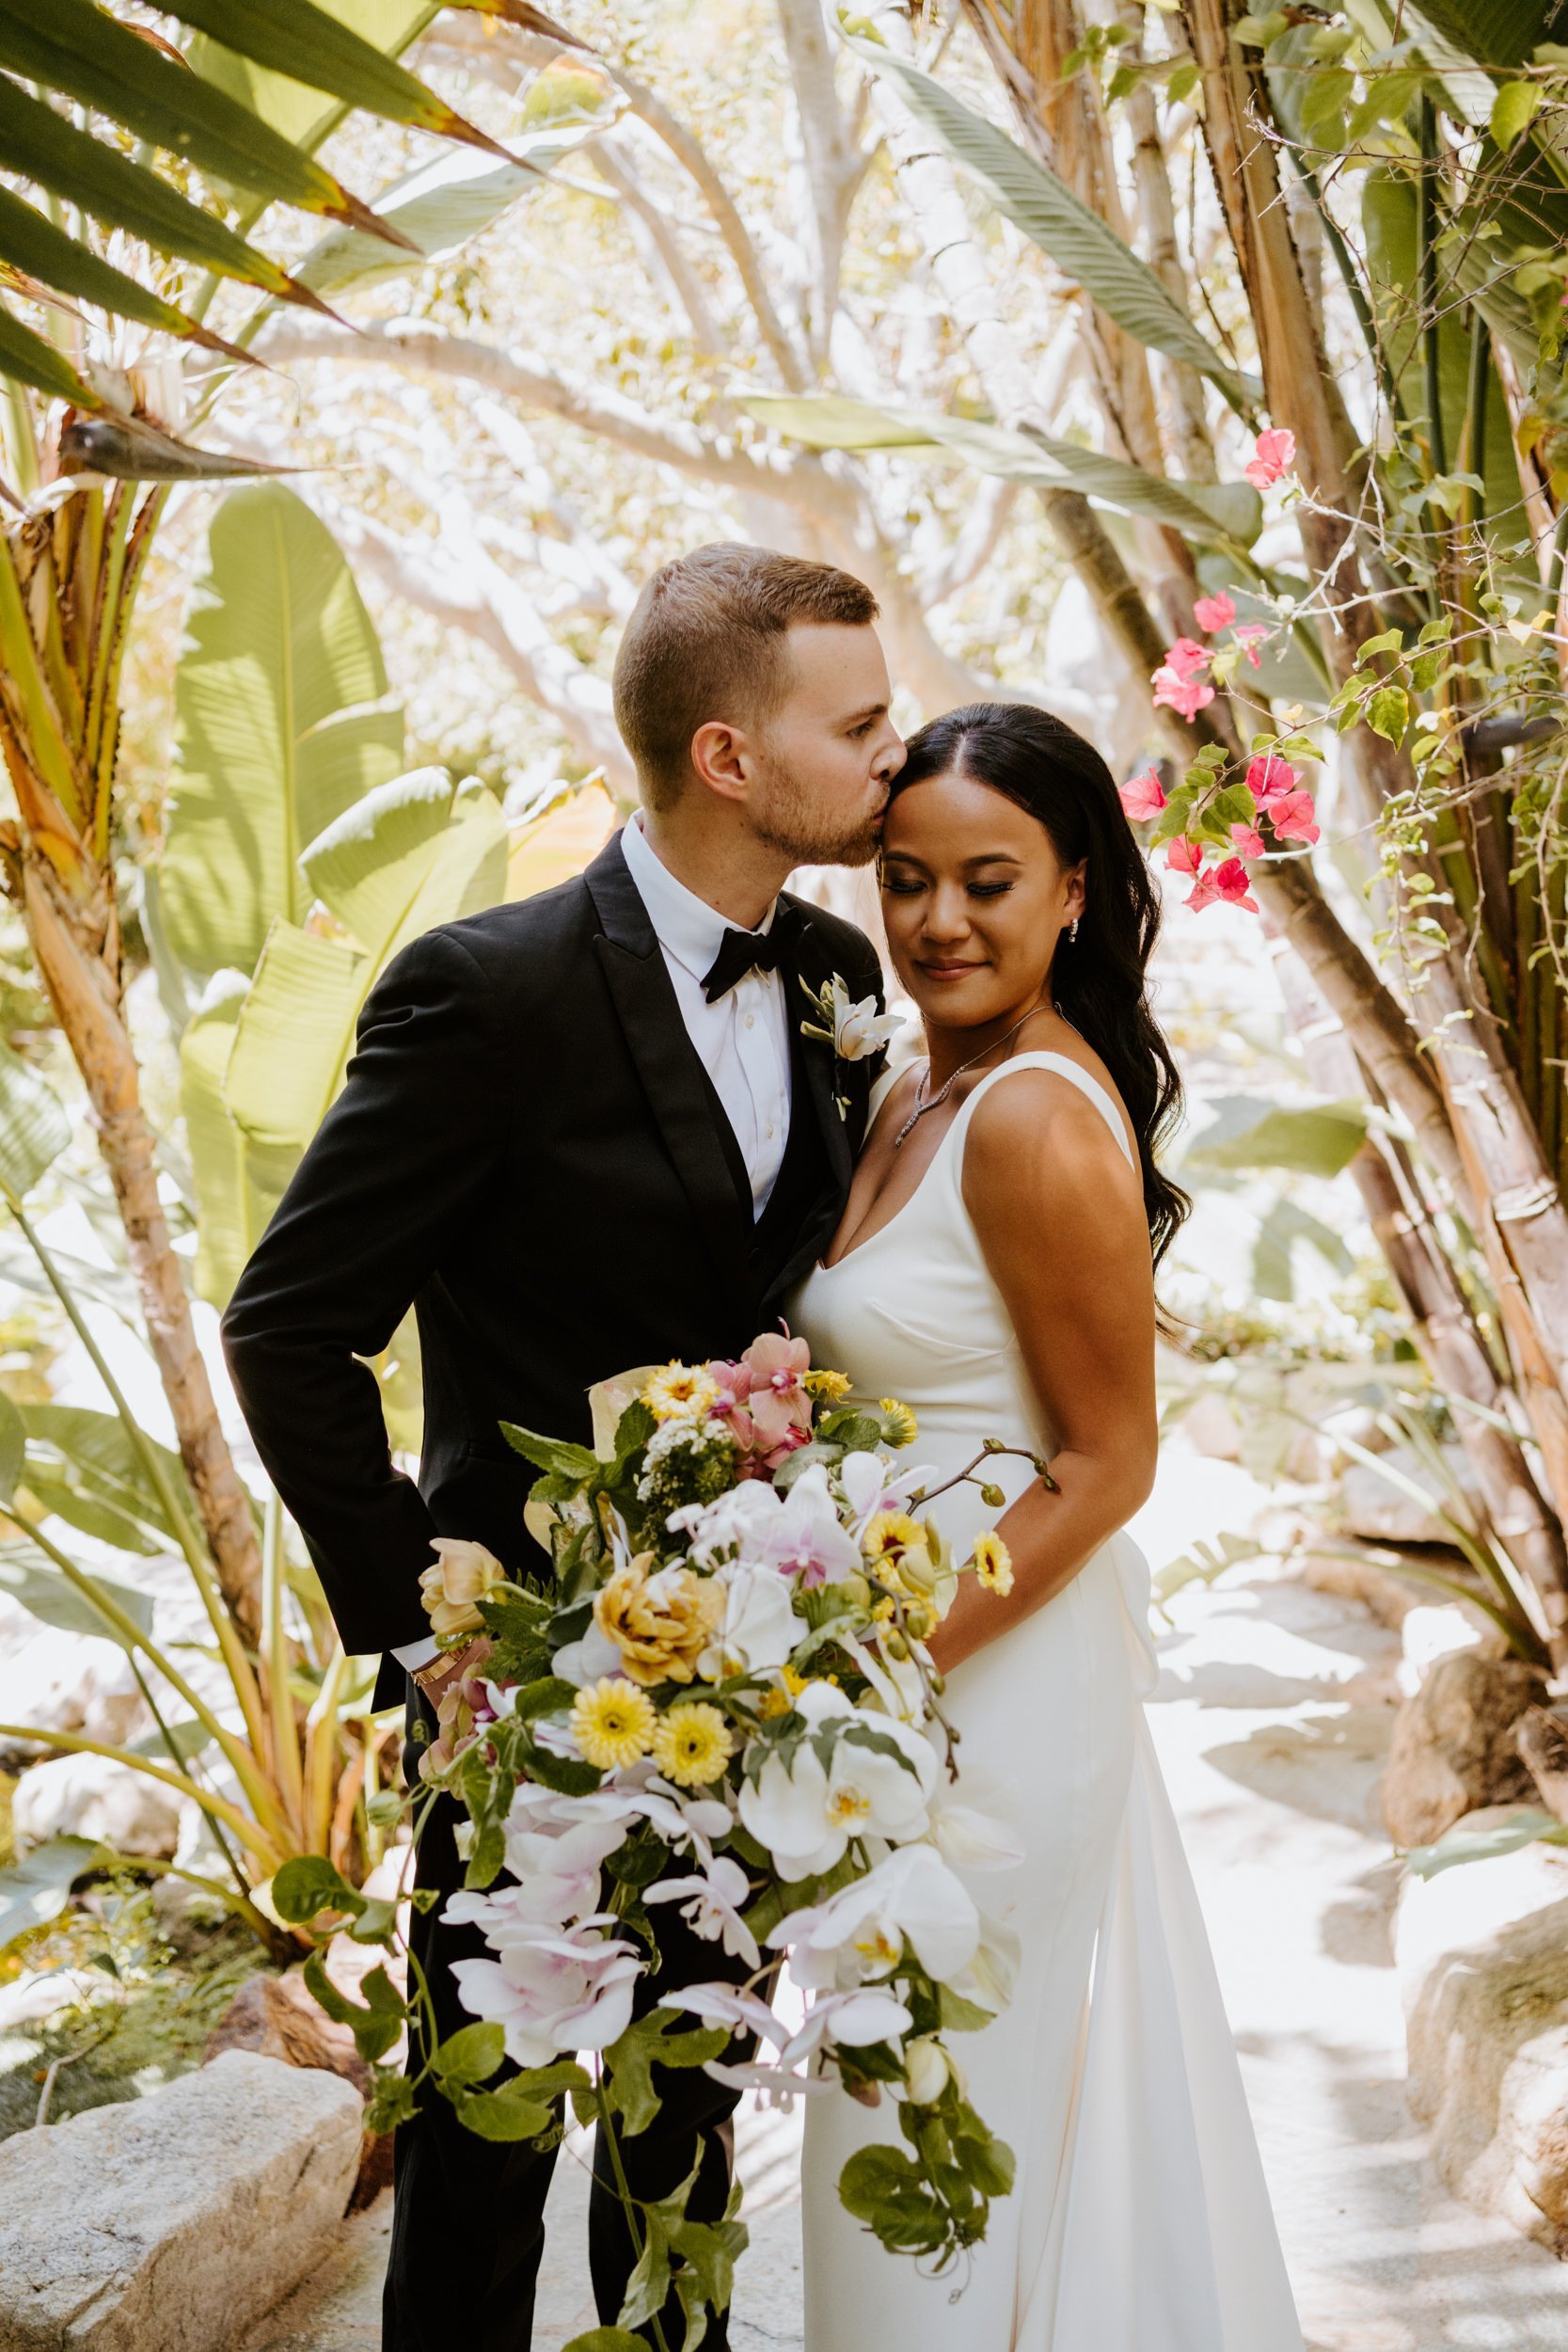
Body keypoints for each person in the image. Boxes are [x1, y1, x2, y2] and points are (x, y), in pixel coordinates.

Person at [219, 542, 907, 2352]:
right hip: (518, 1690)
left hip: (746, 1682)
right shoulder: (489, 990)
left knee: (685, 2140)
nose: (893, 756)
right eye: (862, 724)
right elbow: (288, 1328)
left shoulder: (838, 977)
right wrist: (426, 1631)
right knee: (479, 2138)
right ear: (729, 759)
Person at [788, 702, 1304, 2349]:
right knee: (923, 2124)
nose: (941, 921)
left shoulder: (1027, 1120)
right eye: (909, 879)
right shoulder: (926, 1089)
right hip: (912, 1679)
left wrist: (884, 1662)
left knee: (928, 2121)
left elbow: (1106, 1465)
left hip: (982, 1694)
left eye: (990, 882)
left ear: (1075, 888)